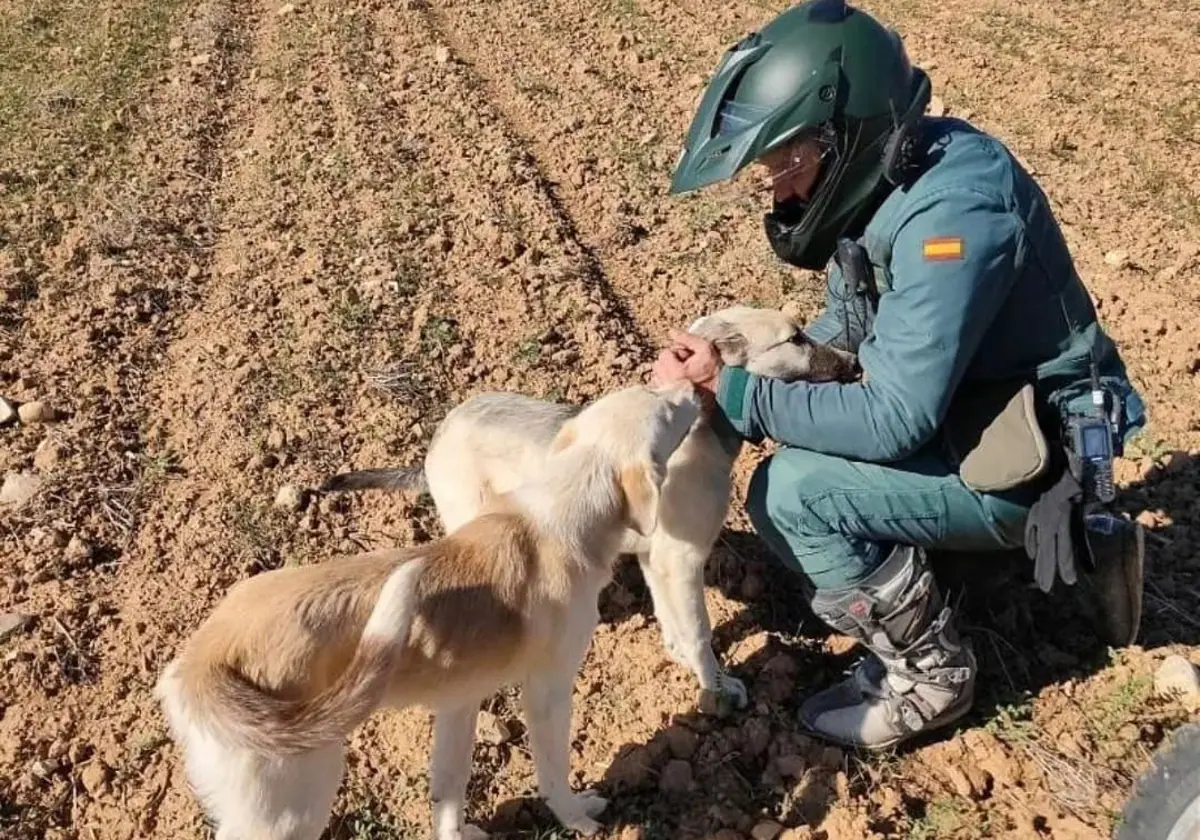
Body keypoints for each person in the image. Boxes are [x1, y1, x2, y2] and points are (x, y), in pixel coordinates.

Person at [650, 0, 1149, 751]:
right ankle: (1010, 559)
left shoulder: (952, 219)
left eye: (787, 164)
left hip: (1041, 451)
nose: (780, 193)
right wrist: (735, 364)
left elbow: (892, 419)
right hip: (982, 414)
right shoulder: (895, 179)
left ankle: (932, 675)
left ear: (845, 134)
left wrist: (741, 396)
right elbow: (847, 333)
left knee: (790, 494)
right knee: (828, 457)